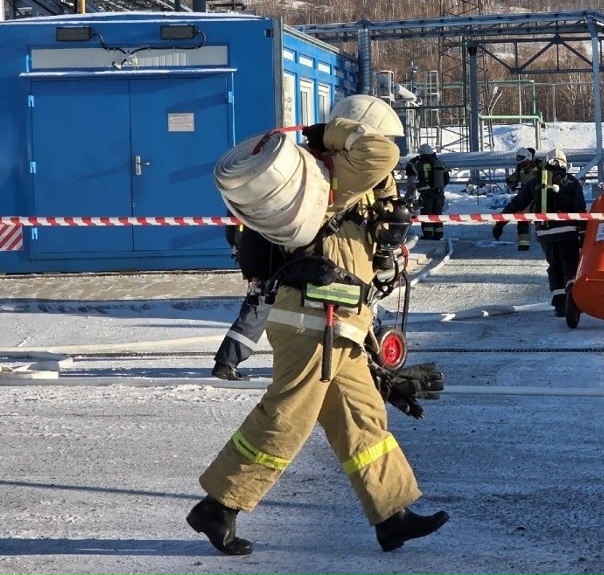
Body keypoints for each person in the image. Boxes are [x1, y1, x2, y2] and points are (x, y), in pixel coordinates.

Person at [188, 94, 448, 556]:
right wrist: (332, 133)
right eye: (373, 133)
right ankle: (219, 506)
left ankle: (392, 516)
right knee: (286, 418)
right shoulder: (332, 173)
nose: (385, 145)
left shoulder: (346, 181)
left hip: (338, 321)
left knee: (362, 420)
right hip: (314, 319)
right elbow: (379, 153)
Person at [497, 147, 585, 316]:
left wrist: (500, 222)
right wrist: (583, 233)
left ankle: (560, 305)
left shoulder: (537, 181)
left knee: (554, 266)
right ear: (564, 164)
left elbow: (518, 202)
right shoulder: (572, 182)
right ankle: (572, 298)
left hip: (545, 232)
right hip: (567, 231)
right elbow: (579, 209)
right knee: (569, 265)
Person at [213, 223, 286, 381]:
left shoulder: (251, 211)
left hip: (259, 262)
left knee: (264, 313)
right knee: (256, 315)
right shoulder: (268, 214)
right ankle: (226, 362)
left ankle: (228, 361)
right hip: (266, 267)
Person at [496, 147, 541, 251]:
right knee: (522, 218)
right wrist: (511, 181)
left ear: (529, 158)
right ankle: (523, 243)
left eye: (525, 162)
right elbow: (514, 180)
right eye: (522, 163)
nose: (524, 165)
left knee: (541, 218)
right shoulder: (519, 167)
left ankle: (544, 239)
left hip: (539, 195)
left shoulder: (540, 165)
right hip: (525, 196)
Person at [405, 144, 450, 240]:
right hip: (439, 193)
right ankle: (438, 234)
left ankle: (428, 234)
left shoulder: (420, 163)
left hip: (426, 192)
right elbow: (446, 178)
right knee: (437, 213)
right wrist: (438, 187)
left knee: (427, 213)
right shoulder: (439, 162)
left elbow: (409, 170)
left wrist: (413, 160)